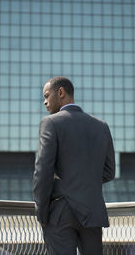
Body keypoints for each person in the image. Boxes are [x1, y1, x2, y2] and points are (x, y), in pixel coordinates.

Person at [33, 76, 115, 255]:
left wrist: (42, 214)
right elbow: (109, 172)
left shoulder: (51, 123)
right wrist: (84, 181)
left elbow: (43, 171)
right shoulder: (101, 126)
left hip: (61, 212)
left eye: (47, 96)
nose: (45, 102)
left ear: (61, 92)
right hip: (92, 213)